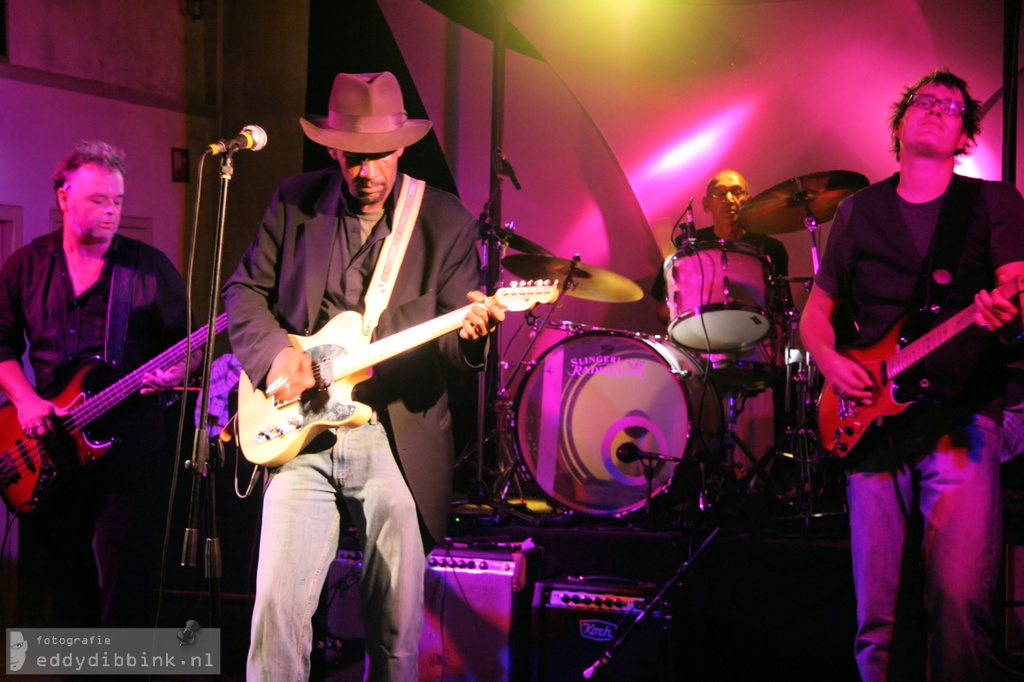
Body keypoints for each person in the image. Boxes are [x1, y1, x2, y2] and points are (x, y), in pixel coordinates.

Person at [223, 71, 505, 681]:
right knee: (275, 614)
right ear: (333, 150)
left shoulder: (444, 220)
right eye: (354, 158)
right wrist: (277, 355)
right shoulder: (295, 201)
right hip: (301, 435)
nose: (367, 172)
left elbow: (455, 355)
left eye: (379, 157)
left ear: (402, 148)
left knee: (397, 632)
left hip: (393, 435)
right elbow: (243, 291)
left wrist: (474, 337)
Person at [800, 69, 1024, 680]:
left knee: (957, 598)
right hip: (870, 426)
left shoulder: (994, 202)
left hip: (961, 416)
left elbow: (1014, 288)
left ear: (963, 135)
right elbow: (816, 315)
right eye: (923, 102)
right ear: (899, 126)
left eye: (951, 108)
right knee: (878, 611)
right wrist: (830, 361)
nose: (935, 110)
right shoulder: (858, 212)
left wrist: (1008, 313)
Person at [0, 140, 195, 627]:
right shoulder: (25, 266)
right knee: (63, 585)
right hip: (48, 449)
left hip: (131, 454)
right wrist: (24, 400)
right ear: (64, 197)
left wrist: (178, 373)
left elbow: (191, 346)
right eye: (97, 200)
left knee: (128, 587)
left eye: (117, 202)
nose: (110, 212)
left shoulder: (148, 269)